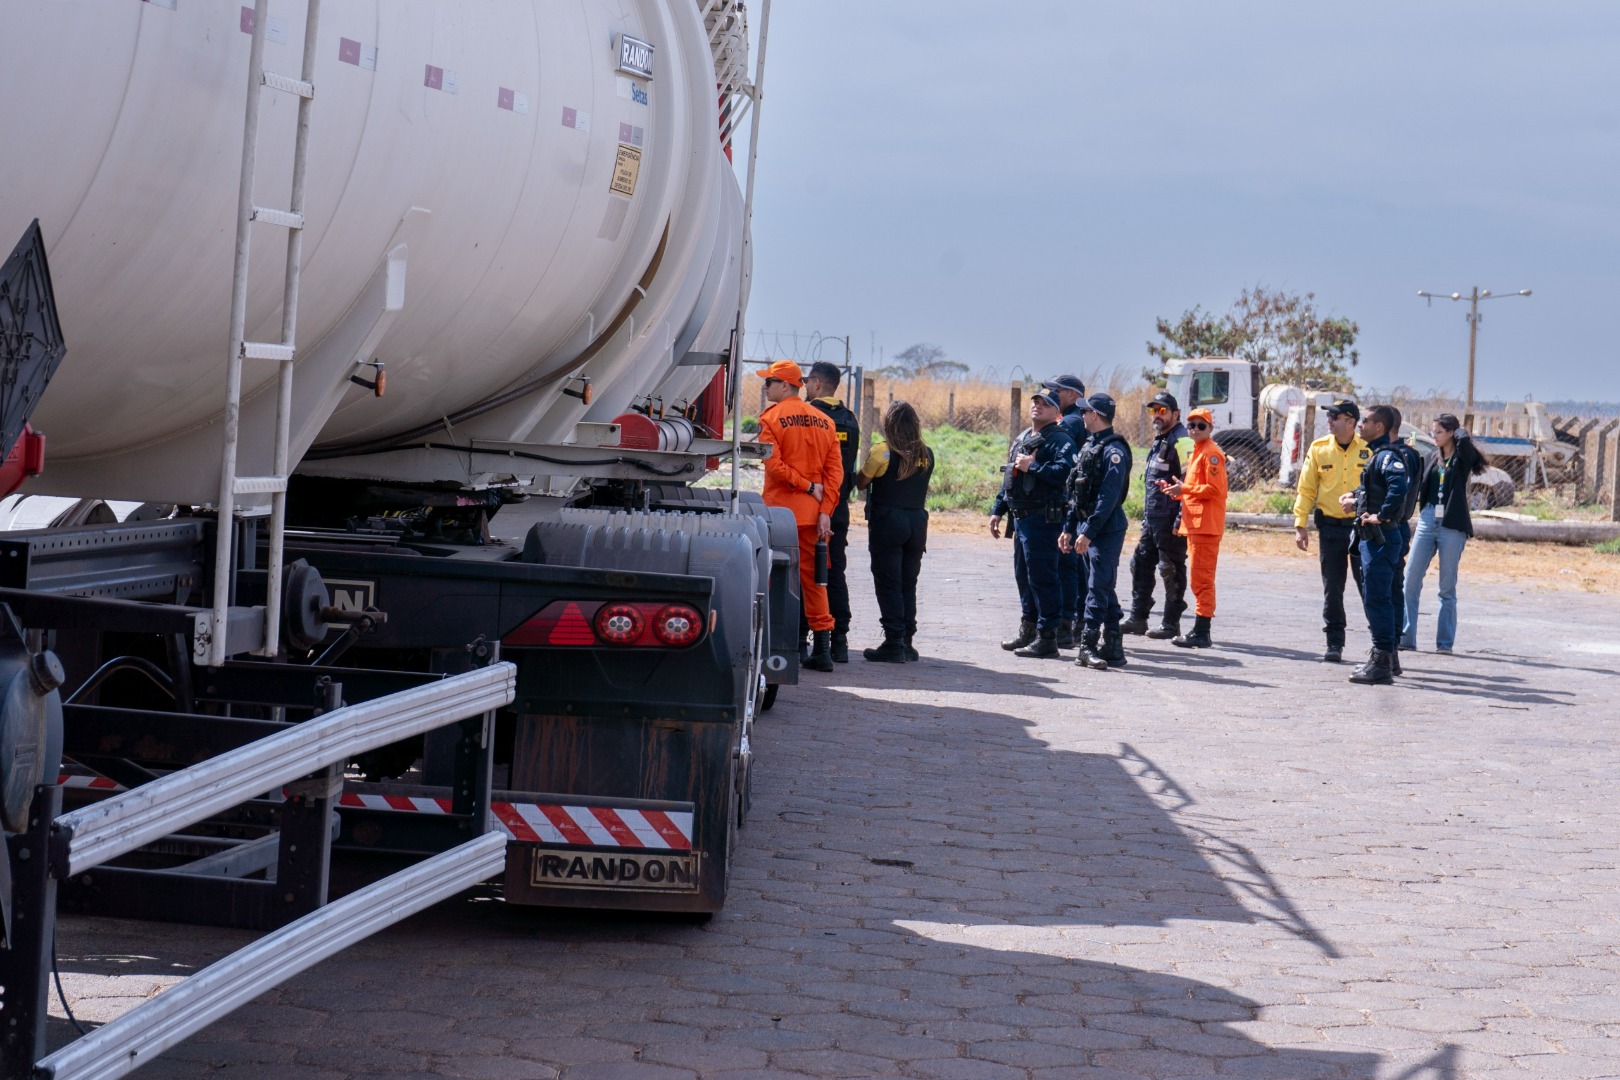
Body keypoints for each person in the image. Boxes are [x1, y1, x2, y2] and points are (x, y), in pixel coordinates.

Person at [756, 360, 844, 673]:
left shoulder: (771, 419)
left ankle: (783, 644)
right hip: (812, 518)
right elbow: (835, 474)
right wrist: (825, 512)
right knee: (815, 581)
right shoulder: (825, 421)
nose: (765, 387)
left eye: (768, 382)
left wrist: (805, 486)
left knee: (775, 578)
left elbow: (774, 466)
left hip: (780, 514)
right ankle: (822, 649)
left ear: (784, 385)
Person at [990, 389, 1079, 659]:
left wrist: (1034, 467)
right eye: (1035, 402)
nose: (1038, 407)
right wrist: (998, 509)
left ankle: (1047, 636)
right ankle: (1028, 629)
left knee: (1043, 578)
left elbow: (1064, 474)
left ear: (1057, 412)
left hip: (1044, 519)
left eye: (1046, 404)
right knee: (1024, 578)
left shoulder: (1061, 439)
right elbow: (1010, 476)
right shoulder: (1023, 438)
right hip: (1021, 519)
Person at [854, 401, 934, 662]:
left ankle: (893, 642)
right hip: (917, 523)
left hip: (889, 522)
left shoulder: (882, 452)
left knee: (888, 583)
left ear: (889, 424)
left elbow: (862, 481)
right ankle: (908, 642)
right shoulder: (927, 453)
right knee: (908, 583)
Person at [1401, 414, 1488, 654]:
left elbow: (1466, 444)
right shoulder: (1431, 458)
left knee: (1446, 587)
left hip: (1452, 523)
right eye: (1432, 431)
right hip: (1428, 519)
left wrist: (1458, 432)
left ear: (1451, 433)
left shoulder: (1462, 458)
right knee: (1410, 579)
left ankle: (1444, 643)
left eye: (1438, 431)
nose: (1433, 436)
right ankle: (1406, 637)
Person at [1292, 398, 1370, 663]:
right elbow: (1306, 489)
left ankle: (1380, 643)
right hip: (1332, 530)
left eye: (1335, 417)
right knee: (1333, 588)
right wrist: (1300, 524)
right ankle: (1334, 642)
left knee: (1368, 586)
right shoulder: (1318, 449)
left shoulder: (1368, 450)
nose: (1329, 421)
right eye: (1329, 416)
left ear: (1350, 422)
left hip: (1362, 530)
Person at [1059, 393, 1133, 671]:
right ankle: (1113, 646)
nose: (1082, 416)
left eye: (1086, 412)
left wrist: (1088, 531)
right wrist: (1069, 527)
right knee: (1102, 585)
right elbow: (1075, 492)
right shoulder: (1091, 445)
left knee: (1097, 587)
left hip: (1106, 528)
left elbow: (1108, 498)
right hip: (1086, 525)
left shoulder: (1114, 451)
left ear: (1097, 415)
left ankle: (1087, 646)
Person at [1339, 404, 1410, 685]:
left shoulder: (1387, 456)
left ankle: (1381, 660)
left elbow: (1398, 487)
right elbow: (1377, 489)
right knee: (1380, 596)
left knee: (1377, 597)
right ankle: (1386, 656)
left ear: (1379, 426)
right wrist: (1357, 498)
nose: (1360, 426)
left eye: (1365, 421)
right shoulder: (1378, 455)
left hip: (1381, 538)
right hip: (1378, 538)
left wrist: (1381, 516)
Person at [1121, 390, 1190, 640]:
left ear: (1175, 414)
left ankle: (1171, 624)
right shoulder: (1161, 438)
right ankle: (1138, 618)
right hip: (1153, 518)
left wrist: (1181, 517)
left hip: (1170, 518)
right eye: (1154, 410)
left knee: (1170, 568)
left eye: (1163, 410)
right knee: (1139, 563)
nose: (1157, 415)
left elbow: (1189, 480)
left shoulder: (1182, 440)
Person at [805, 362, 860, 663]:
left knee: (804, 573)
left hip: (810, 505)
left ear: (815, 383)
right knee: (834, 571)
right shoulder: (850, 420)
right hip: (839, 507)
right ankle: (839, 640)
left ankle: (802, 639)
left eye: (806, 382)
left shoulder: (809, 416)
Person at [1159, 407, 1226, 648]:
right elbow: (1197, 490)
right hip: (1196, 525)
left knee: (1202, 580)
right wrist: (1178, 491)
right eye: (1191, 425)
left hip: (1206, 527)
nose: (1195, 429)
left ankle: (1202, 631)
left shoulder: (1212, 453)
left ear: (1210, 428)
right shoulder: (1197, 451)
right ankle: (1200, 629)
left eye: (1201, 425)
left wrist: (1184, 490)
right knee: (1199, 579)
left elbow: (1215, 490)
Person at [1040, 375, 1089, 647]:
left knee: (1066, 563)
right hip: (1074, 500)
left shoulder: (1069, 421)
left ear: (1072, 394)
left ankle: (1066, 624)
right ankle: (1075, 621)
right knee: (1073, 565)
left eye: (1055, 391)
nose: (1050, 394)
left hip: (1066, 500)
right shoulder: (1075, 418)